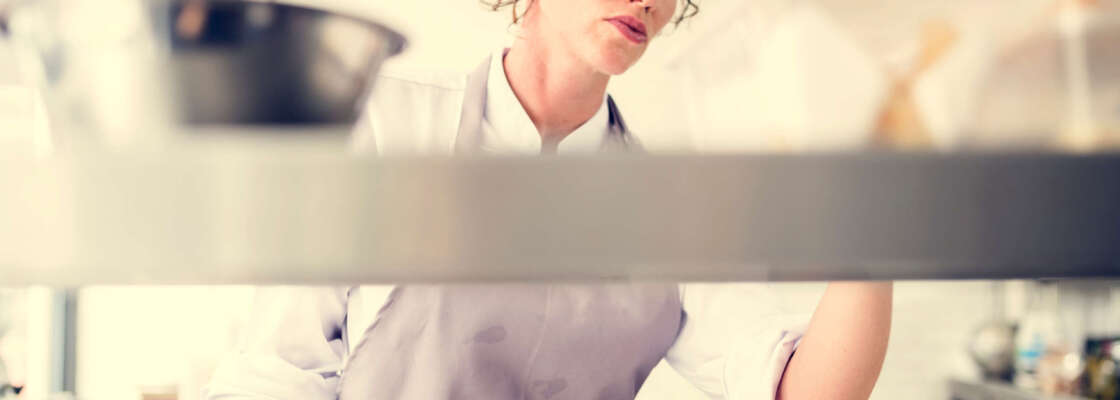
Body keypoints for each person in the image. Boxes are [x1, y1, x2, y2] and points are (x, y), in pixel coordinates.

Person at [203, 0, 892, 398]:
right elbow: (277, 369)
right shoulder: (386, 123)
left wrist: (877, 216)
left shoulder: (672, 209)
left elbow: (807, 392)